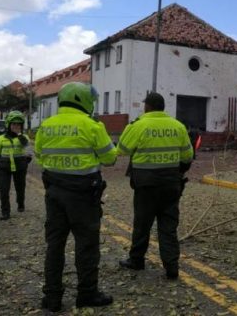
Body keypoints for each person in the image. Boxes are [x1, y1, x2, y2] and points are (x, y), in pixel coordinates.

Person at [34, 82, 117, 312]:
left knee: (55, 246)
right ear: (83, 100)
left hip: (54, 192)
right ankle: (87, 294)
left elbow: (40, 155)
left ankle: (52, 298)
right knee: (86, 246)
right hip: (83, 195)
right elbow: (110, 158)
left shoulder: (46, 125)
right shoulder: (92, 126)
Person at [117, 92, 193, 280]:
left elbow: (122, 150)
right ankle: (171, 267)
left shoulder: (138, 125)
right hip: (171, 184)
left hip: (146, 184)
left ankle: (136, 260)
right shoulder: (178, 126)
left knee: (142, 224)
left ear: (148, 107)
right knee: (168, 226)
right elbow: (187, 156)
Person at [0, 111, 31, 220]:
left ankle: (20, 203)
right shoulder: (1, 138)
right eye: (13, 124)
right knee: (4, 189)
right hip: (4, 166)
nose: (16, 126)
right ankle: (5, 212)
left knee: (20, 187)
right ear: (8, 125)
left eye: (18, 125)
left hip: (20, 166)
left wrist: (19, 134)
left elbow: (27, 146)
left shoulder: (23, 137)